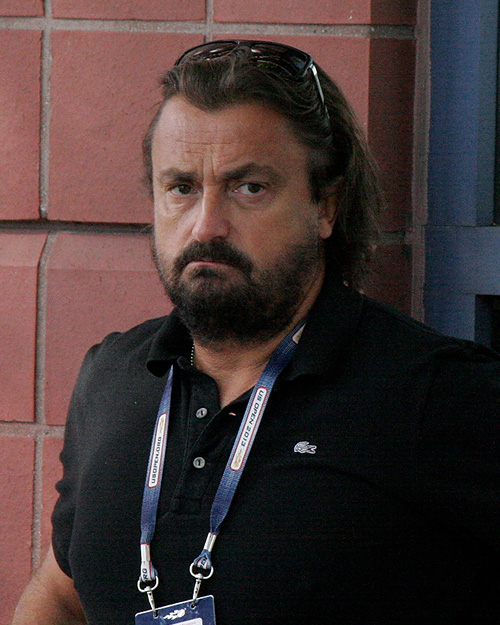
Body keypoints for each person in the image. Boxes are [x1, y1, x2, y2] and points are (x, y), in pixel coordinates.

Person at [12, 40, 500, 625]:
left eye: (249, 188)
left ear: (325, 206)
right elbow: (62, 594)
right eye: (182, 188)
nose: (206, 226)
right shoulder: (113, 376)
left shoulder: (439, 393)